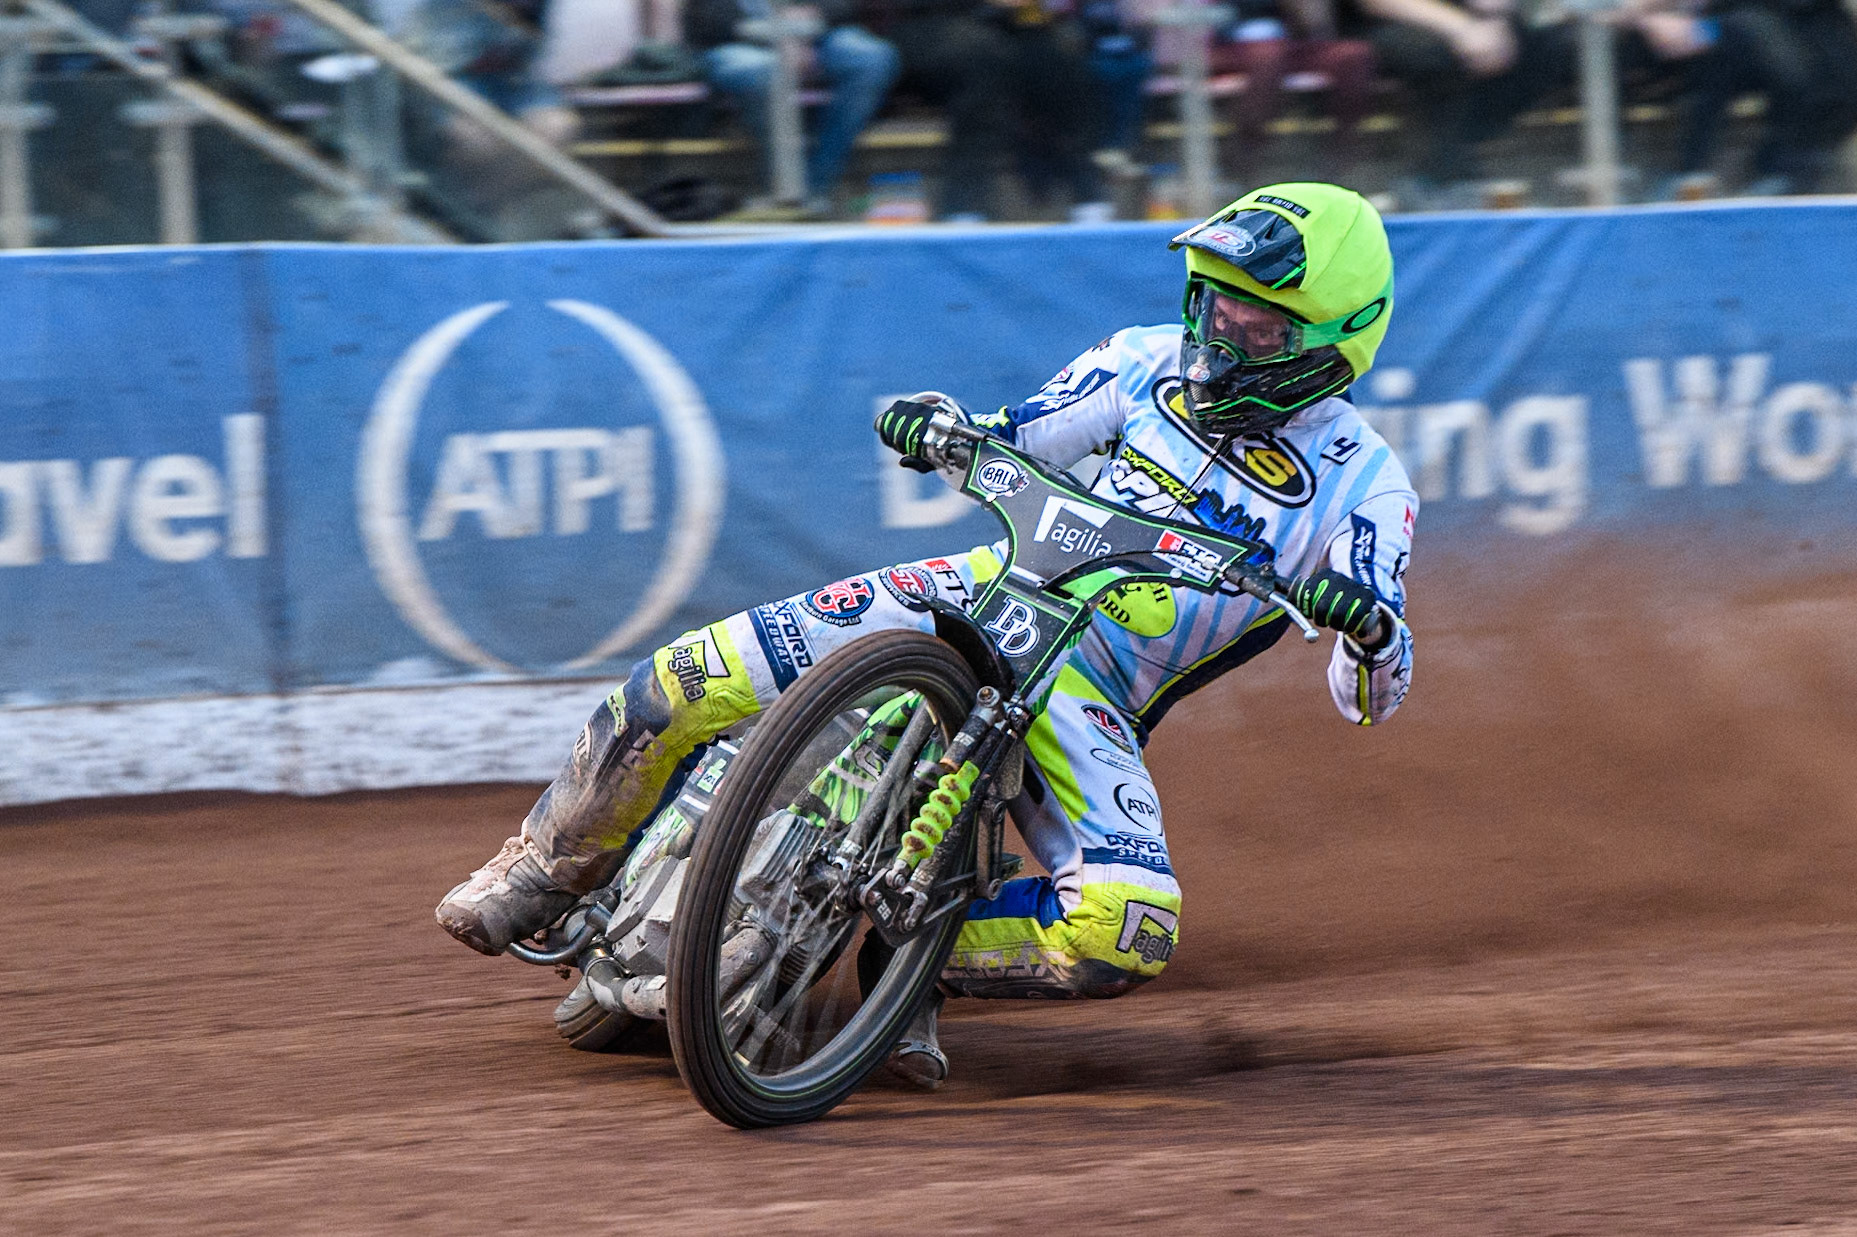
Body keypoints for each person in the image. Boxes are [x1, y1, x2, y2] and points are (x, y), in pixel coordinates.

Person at [436, 181, 1416, 1086]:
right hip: (988, 588)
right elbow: (1019, 435)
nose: (1219, 332)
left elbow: (1370, 696)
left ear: (1338, 335)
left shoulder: (1364, 484)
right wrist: (945, 426)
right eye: (1211, 301)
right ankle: (541, 869)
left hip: (1088, 696)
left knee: (1127, 928)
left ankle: (914, 957)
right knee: (689, 673)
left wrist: (1369, 629)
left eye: (1254, 319)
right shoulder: (1141, 361)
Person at [683, 0, 901, 215]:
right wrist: (779, 35)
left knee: (872, 59)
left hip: (814, 37)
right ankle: (780, 188)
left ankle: (814, 187)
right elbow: (708, 18)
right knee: (764, 70)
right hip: (735, 41)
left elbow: (843, 6)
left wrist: (810, 20)